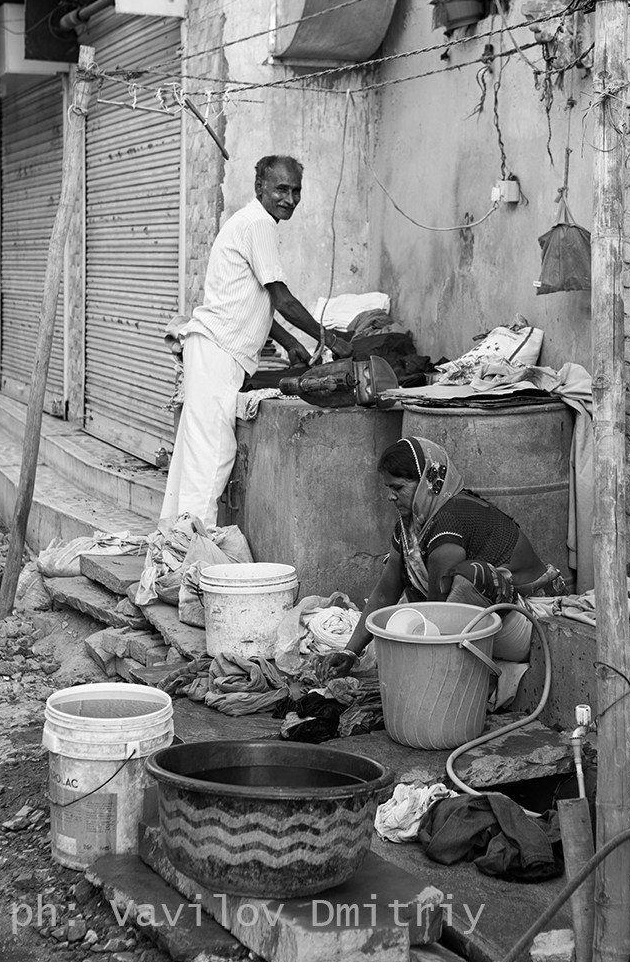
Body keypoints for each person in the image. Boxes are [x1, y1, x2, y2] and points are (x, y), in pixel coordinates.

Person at [160, 155, 352, 528]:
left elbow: (253, 298)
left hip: (212, 348)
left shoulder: (251, 222)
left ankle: (173, 544)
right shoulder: (259, 225)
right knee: (212, 457)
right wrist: (328, 338)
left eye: (296, 190)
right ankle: (193, 555)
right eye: (282, 189)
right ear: (259, 188)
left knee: (193, 457)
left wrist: (287, 341)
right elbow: (281, 297)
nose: (291, 199)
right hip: (217, 352)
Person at [317, 436, 567, 680]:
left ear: (429, 482)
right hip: (482, 627)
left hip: (528, 626)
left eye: (398, 488)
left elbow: (438, 609)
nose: (390, 497)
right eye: (387, 488)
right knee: (406, 605)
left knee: (471, 576)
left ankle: (441, 674)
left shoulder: (452, 518)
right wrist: (350, 651)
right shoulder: (410, 528)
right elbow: (385, 592)